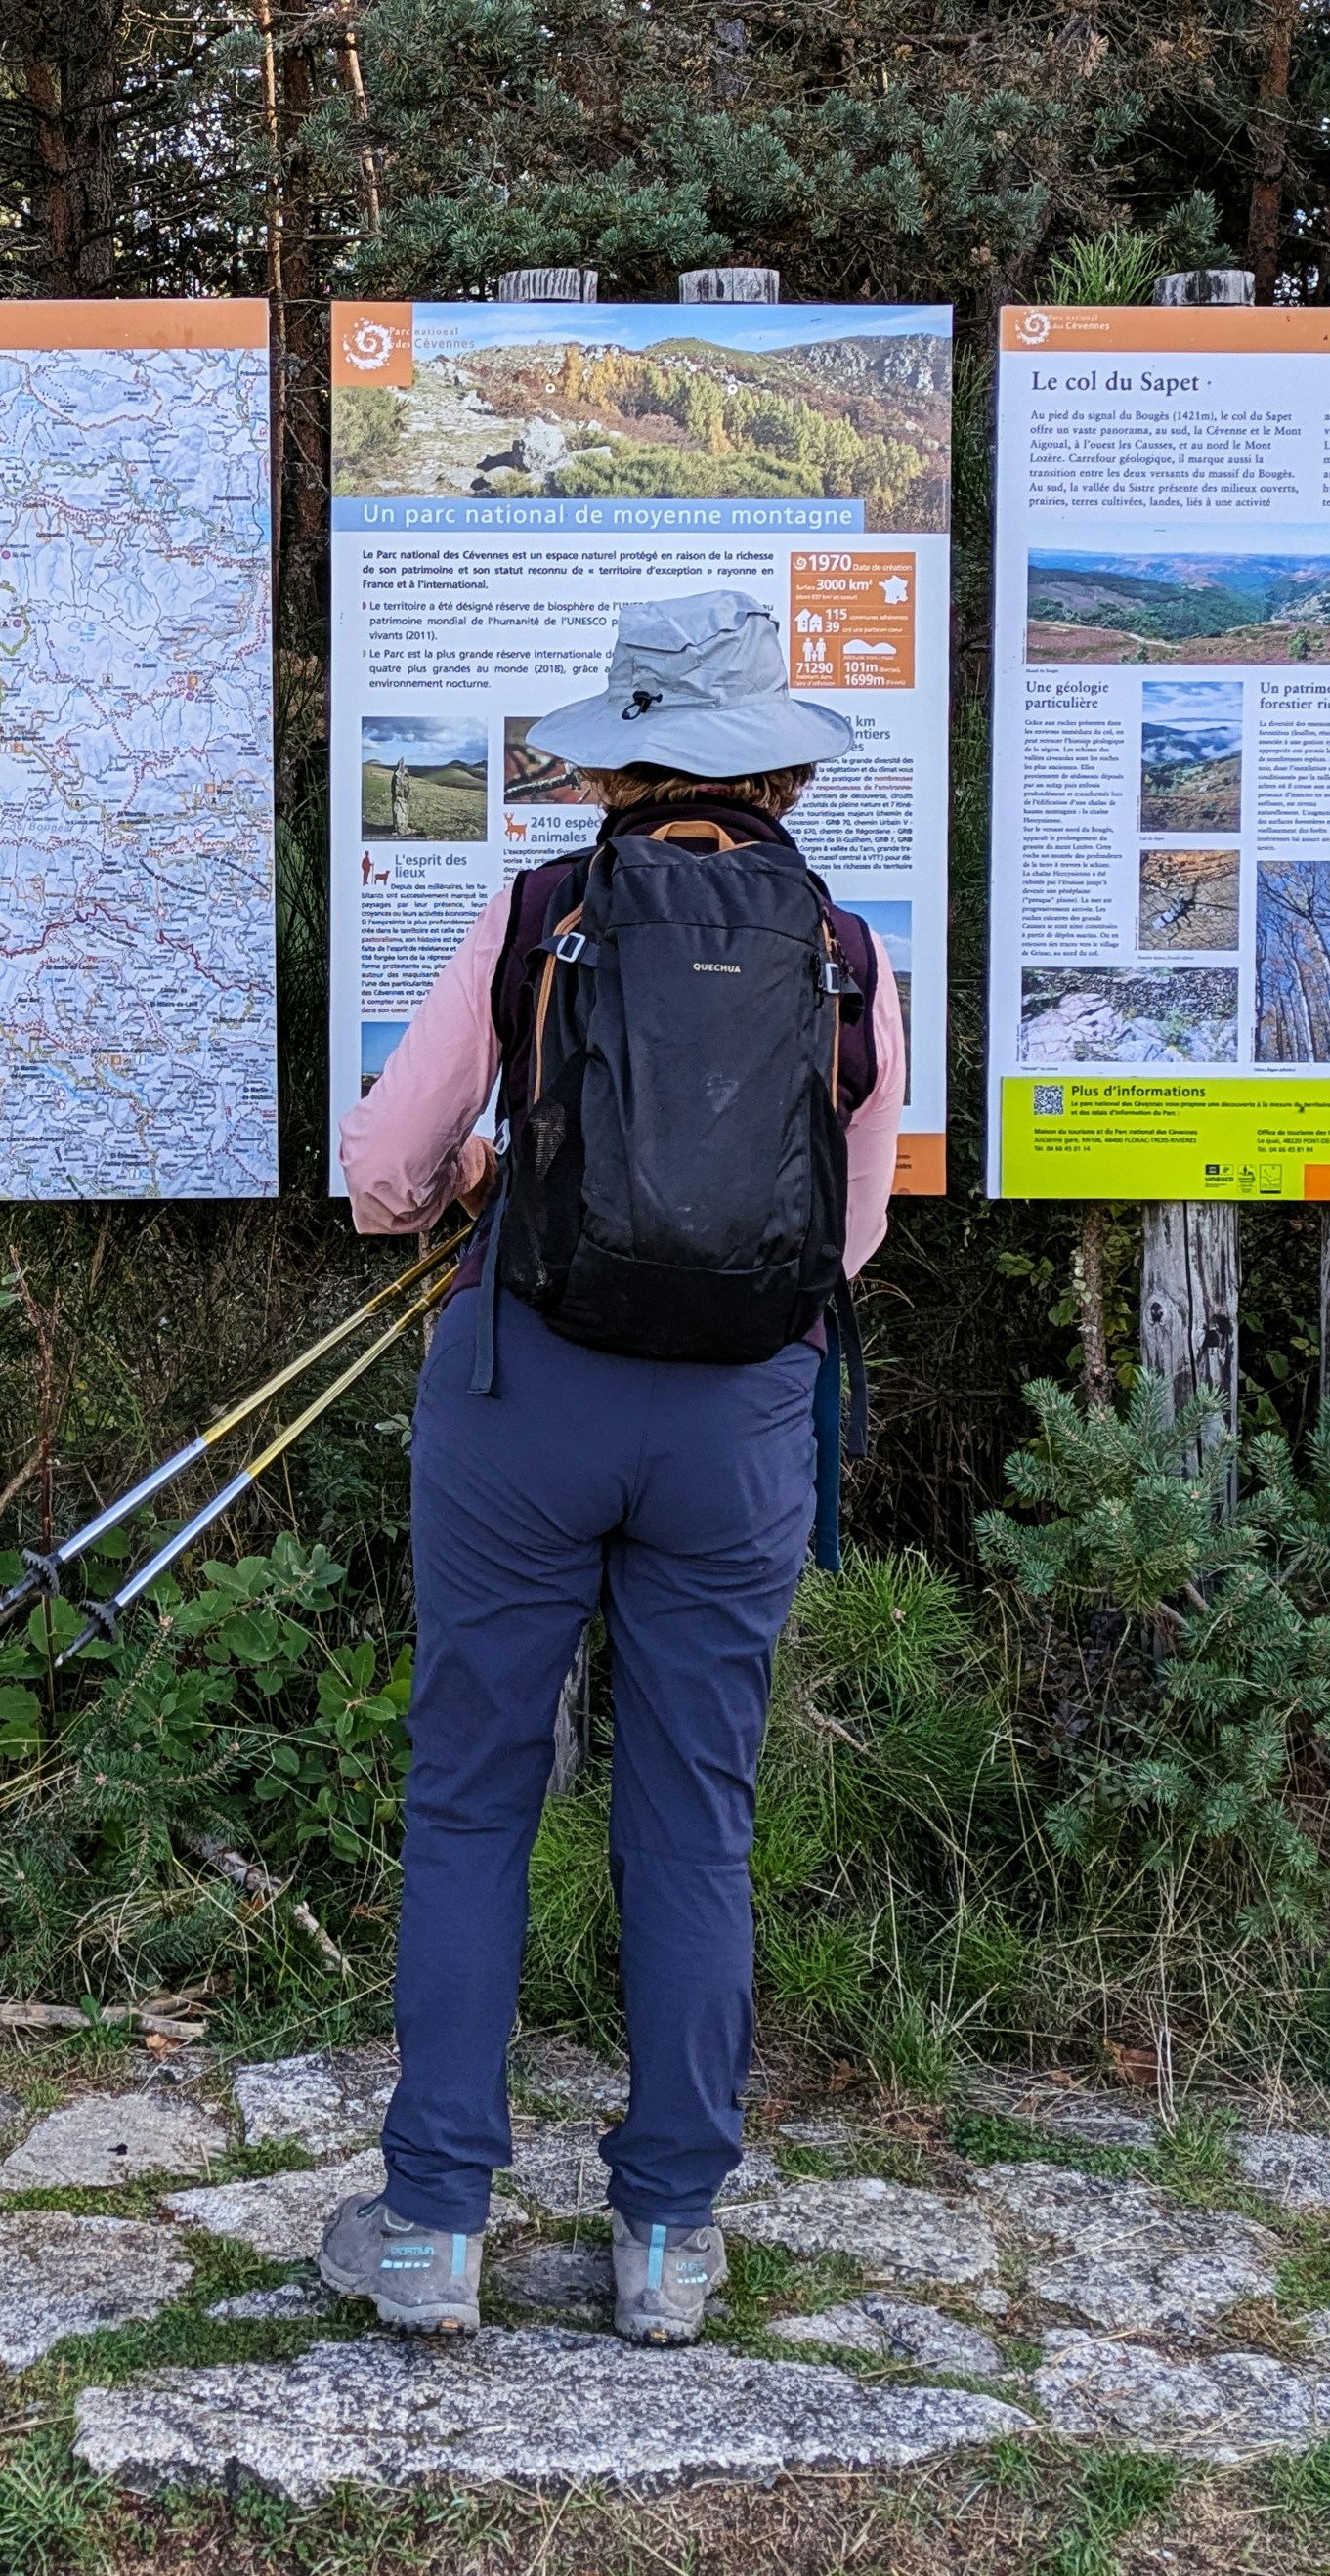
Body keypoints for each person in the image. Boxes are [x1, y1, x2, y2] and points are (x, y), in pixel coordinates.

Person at [322, 590, 906, 2347]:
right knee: (690, 1814)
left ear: (620, 757)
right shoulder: (842, 951)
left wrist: (458, 1198)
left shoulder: (534, 920)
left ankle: (430, 2225)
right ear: (773, 761)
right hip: (734, 1423)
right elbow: (850, 1233)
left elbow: (379, 1164)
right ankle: (665, 2236)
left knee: (473, 1791)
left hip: (526, 1397)